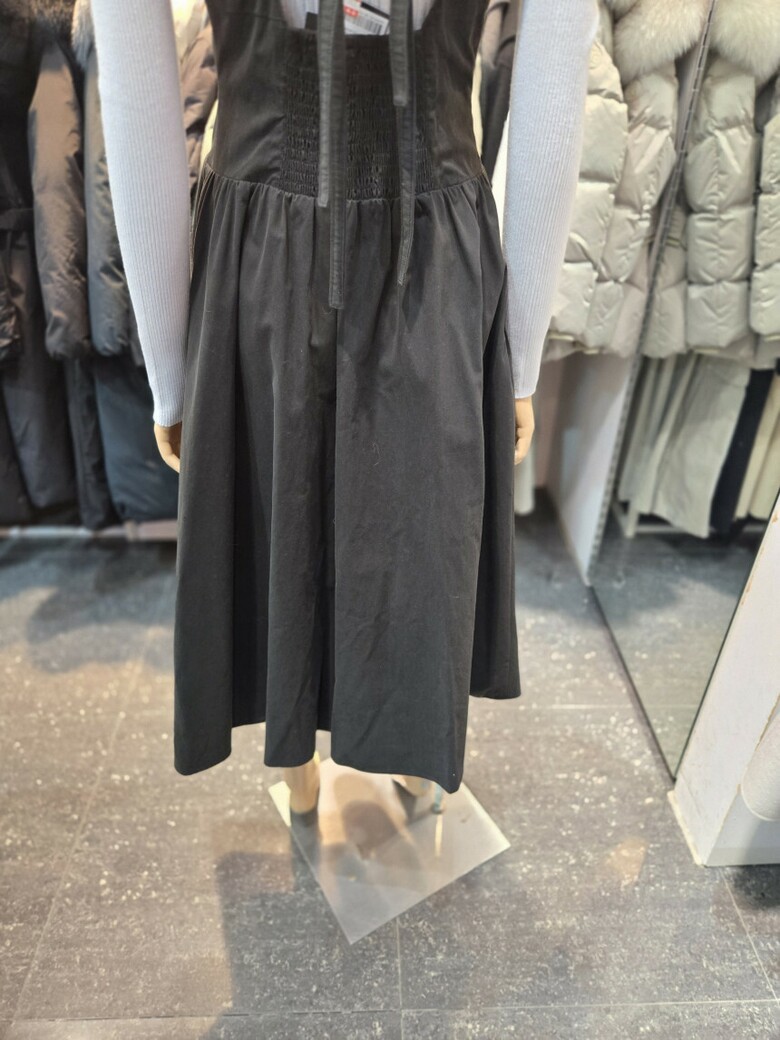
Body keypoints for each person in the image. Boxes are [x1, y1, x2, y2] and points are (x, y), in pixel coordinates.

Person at [91, 0, 598, 811]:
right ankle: (404, 753)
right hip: (428, 250)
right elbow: (554, 93)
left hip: (271, 250)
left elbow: (135, 96)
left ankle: (301, 758)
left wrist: (171, 370)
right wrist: (520, 360)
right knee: (418, 525)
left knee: (291, 506)